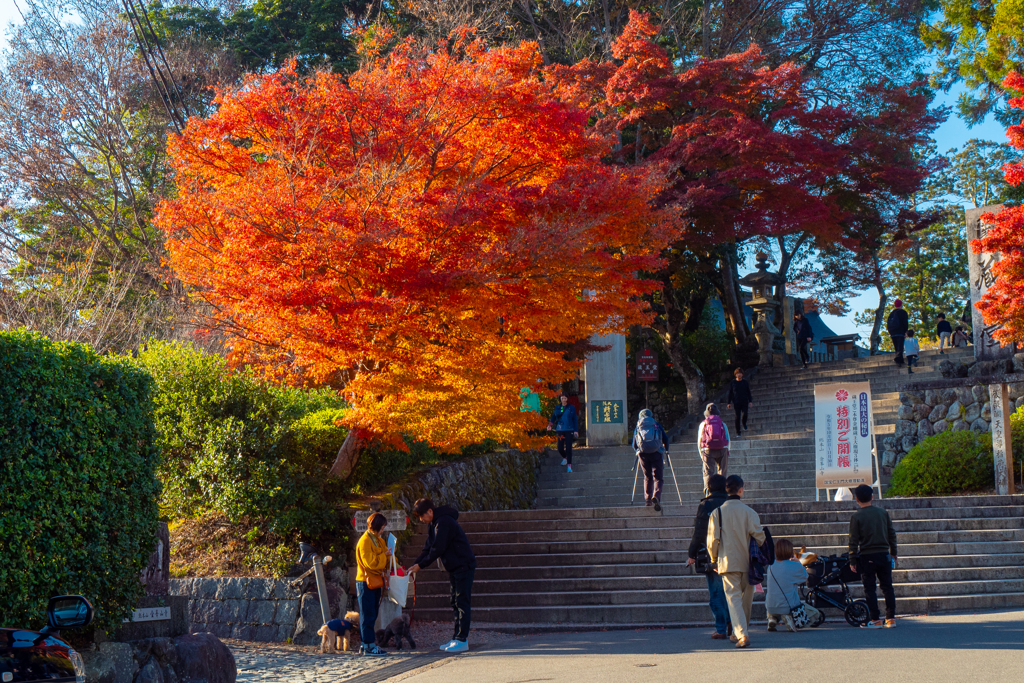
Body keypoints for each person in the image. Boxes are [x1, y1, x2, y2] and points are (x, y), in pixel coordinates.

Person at [407, 498, 477, 652]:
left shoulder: (444, 521)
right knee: (455, 601)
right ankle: (456, 638)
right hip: (455, 567)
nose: (421, 519)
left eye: (422, 516)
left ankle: (462, 639)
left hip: (463, 565)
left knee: (462, 602)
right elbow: (428, 547)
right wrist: (416, 564)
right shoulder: (434, 524)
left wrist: (421, 565)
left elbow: (438, 548)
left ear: (430, 511)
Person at [707, 474, 765, 648]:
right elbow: (760, 538)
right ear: (741, 490)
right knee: (746, 599)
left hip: (727, 561)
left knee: (733, 598)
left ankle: (741, 634)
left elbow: (712, 541)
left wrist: (714, 559)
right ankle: (740, 632)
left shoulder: (717, 513)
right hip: (748, 562)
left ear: (726, 490)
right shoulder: (750, 512)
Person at [686, 474, 731, 640]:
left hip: (714, 555)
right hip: (733, 553)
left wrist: (692, 554)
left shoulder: (706, 505)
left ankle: (721, 627)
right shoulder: (732, 503)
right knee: (731, 592)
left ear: (709, 488)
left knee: (717, 592)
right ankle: (732, 623)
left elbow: (699, 532)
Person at [848, 484, 898, 629]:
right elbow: (891, 534)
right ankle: (891, 618)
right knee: (887, 587)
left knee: (870, 588)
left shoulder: (856, 516)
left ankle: (875, 619)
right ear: (872, 497)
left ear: (856, 499)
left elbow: (853, 540)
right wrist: (893, 552)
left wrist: (852, 559)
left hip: (867, 555)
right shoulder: (883, 513)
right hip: (884, 554)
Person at [765, 538, 822, 632]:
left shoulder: (771, 566)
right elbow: (805, 576)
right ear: (790, 552)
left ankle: (772, 617)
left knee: (775, 595)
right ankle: (788, 618)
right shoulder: (793, 566)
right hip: (788, 606)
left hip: (770, 606)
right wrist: (798, 562)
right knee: (815, 613)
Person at [355, 513, 392, 656]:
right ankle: (368, 645)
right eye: (382, 526)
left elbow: (384, 556)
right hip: (365, 582)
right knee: (367, 614)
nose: (383, 529)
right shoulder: (365, 541)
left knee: (372, 613)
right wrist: (385, 556)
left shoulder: (377, 539)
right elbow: (370, 563)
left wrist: (387, 555)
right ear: (377, 526)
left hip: (375, 581)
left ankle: (368, 645)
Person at [632, 408, 668, 511]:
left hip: (643, 454)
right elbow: (665, 438)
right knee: (658, 477)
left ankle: (648, 500)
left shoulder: (638, 426)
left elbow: (634, 444)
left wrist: (638, 451)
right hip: (656, 453)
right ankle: (656, 496)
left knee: (647, 477)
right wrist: (666, 449)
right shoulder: (656, 424)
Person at [697, 403, 730, 496]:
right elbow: (728, 438)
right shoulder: (722, 423)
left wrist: (702, 454)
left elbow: (699, 440)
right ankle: (722, 492)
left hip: (707, 449)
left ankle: (708, 492)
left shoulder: (703, 424)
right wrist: (727, 451)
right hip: (722, 449)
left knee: (708, 472)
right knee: (722, 471)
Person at [547, 394, 579, 473]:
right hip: (560, 429)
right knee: (560, 447)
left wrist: (576, 430)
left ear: (567, 399)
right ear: (560, 399)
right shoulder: (558, 407)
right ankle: (565, 457)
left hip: (569, 429)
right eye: (562, 398)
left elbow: (574, 419)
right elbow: (553, 417)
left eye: (565, 398)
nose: (563, 400)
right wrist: (550, 425)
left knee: (569, 448)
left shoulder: (571, 407)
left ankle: (569, 466)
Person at [726, 368, 753, 436]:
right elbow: (730, 393)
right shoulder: (733, 383)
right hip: (736, 402)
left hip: (744, 401)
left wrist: (750, 401)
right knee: (737, 417)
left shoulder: (745, 382)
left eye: (740, 373)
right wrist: (729, 402)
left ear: (742, 374)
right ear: (735, 374)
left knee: (745, 414)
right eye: (737, 373)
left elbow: (748, 392)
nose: (739, 375)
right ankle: (738, 432)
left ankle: (744, 423)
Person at [886, 299, 909, 366]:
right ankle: (898, 359)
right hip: (900, 331)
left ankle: (899, 359)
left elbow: (888, 323)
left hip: (893, 332)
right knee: (900, 346)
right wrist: (905, 331)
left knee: (896, 346)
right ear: (901, 304)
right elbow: (905, 323)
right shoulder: (903, 312)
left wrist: (890, 332)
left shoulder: (891, 313)